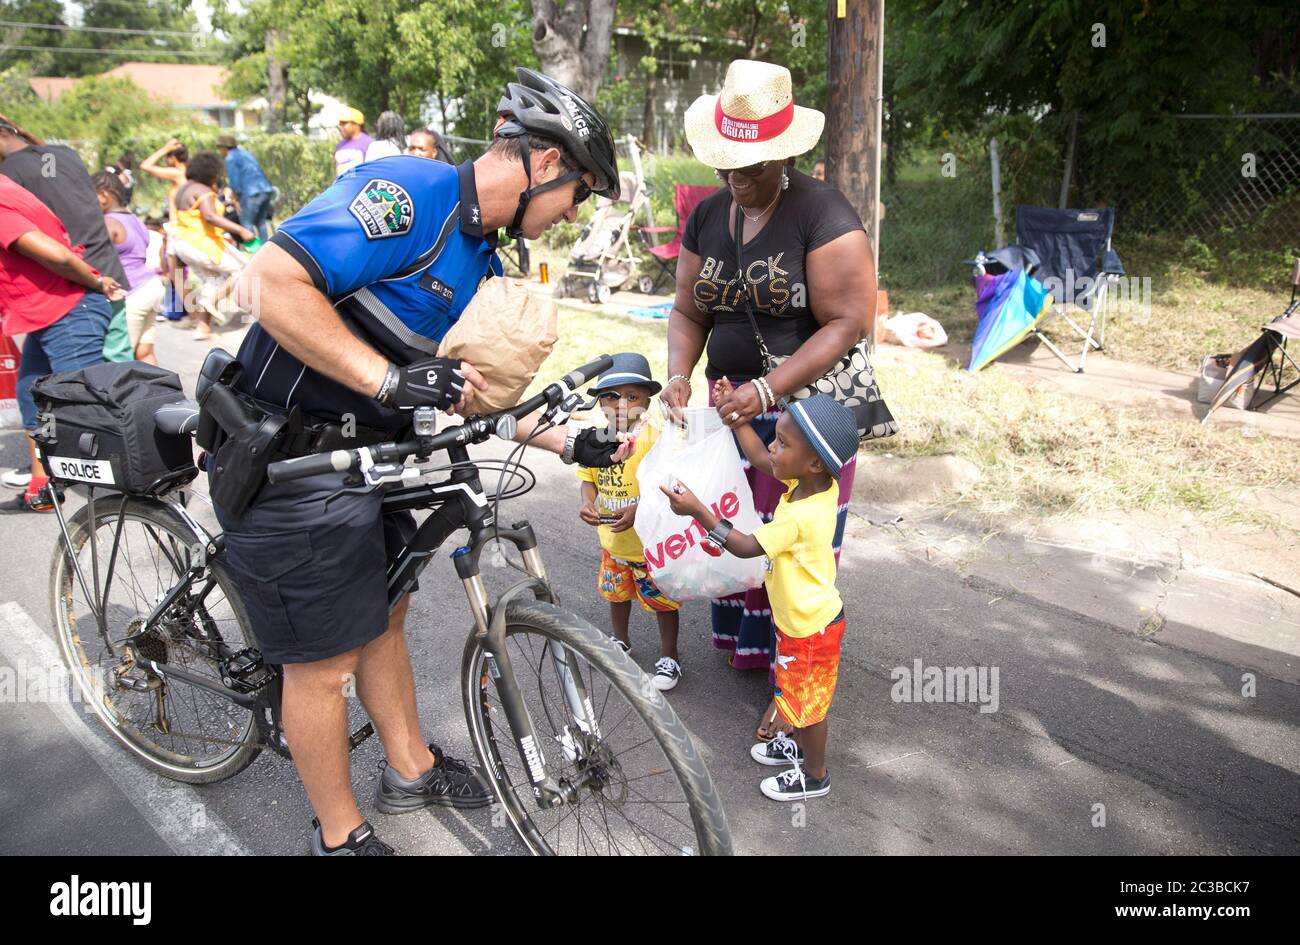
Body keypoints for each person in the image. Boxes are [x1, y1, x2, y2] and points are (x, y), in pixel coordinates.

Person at [222, 67, 621, 855]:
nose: (575, 213)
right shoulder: (410, 194)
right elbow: (268, 281)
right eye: (577, 192)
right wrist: (387, 377)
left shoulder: (484, 259)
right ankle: (337, 834)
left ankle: (408, 765)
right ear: (544, 164)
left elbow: (474, 392)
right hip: (289, 453)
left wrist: (567, 441)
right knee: (323, 659)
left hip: (370, 460)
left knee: (387, 611)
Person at [661, 60, 876, 740]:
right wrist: (677, 373)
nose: (737, 181)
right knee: (740, 523)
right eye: (728, 166)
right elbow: (687, 309)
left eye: (752, 167)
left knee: (793, 548)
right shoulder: (706, 216)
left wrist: (766, 390)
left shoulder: (823, 212)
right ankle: (756, 651)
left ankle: (797, 684)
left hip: (802, 416)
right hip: (731, 407)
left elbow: (849, 320)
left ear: (784, 154)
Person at [662, 388, 857, 801]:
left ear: (812, 463)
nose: (773, 446)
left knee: (809, 705)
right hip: (804, 623)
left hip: (809, 631)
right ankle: (799, 747)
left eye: (782, 442)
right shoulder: (818, 485)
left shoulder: (802, 516)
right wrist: (739, 420)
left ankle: (814, 774)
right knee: (795, 693)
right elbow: (763, 459)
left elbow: (746, 545)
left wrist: (699, 511)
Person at [0, 174, 122, 512]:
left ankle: (133, 487)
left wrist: (96, 281)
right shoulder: (9, 189)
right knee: (30, 397)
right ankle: (42, 493)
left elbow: (57, 256)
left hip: (69, 309)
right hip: (47, 314)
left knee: (84, 406)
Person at [576, 354, 684, 690]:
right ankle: (619, 642)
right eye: (611, 396)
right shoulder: (597, 440)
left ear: (647, 400)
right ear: (599, 402)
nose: (621, 405)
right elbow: (587, 477)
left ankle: (670, 657)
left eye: (632, 397)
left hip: (649, 546)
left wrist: (640, 507)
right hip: (614, 543)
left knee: (662, 602)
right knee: (617, 595)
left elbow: (666, 486)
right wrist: (587, 502)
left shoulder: (655, 440)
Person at [168, 151, 254, 340]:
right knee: (241, 269)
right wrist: (240, 230)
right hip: (201, 243)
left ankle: (203, 328)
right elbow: (210, 216)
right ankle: (211, 301)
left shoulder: (184, 188)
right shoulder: (203, 191)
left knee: (212, 280)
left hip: (183, 244)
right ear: (211, 172)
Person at [93, 171, 165, 364]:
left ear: (103, 195)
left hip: (132, 292)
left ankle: (125, 394)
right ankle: (160, 393)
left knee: (121, 359)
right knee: (145, 353)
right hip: (151, 286)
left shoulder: (108, 222)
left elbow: (94, 256)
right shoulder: (135, 220)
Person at [216, 134, 275, 243]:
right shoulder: (246, 154)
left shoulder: (230, 158)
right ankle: (265, 247)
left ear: (224, 148)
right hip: (265, 189)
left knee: (246, 221)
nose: (220, 152)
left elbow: (234, 181)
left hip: (251, 192)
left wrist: (236, 200)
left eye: (219, 149)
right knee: (260, 221)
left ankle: (253, 250)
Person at [139, 137, 189, 217]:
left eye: (166, 157)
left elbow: (145, 166)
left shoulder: (177, 173)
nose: (165, 159)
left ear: (173, 158)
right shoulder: (187, 170)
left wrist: (165, 149)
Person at [334, 106, 373, 178]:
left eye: (344, 123)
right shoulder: (340, 145)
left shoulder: (369, 144)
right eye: (340, 124)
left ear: (356, 124)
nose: (340, 126)